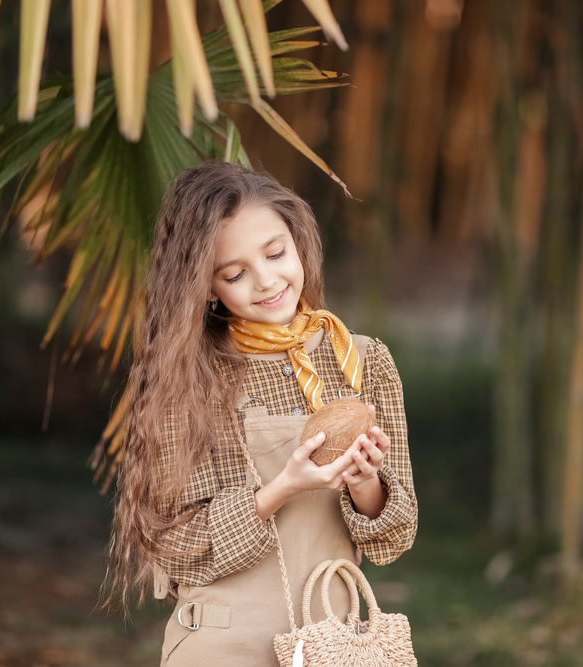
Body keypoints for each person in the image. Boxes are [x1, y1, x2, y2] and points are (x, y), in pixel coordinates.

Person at [107, 161, 418, 665]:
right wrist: (283, 488)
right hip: (223, 644)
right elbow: (169, 545)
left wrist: (365, 485)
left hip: (333, 647)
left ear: (297, 242)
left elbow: (394, 538)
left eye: (276, 253)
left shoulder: (362, 362)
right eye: (235, 273)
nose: (267, 280)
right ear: (207, 287)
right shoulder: (188, 379)